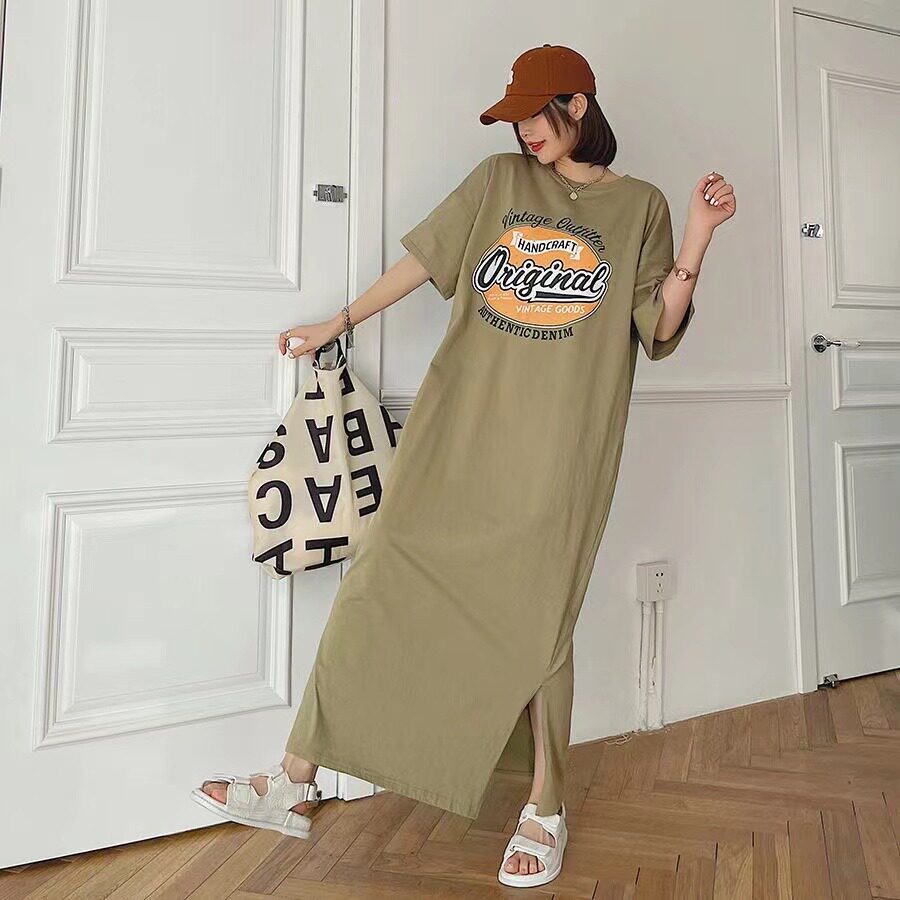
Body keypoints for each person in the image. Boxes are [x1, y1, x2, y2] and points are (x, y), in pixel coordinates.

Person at [191, 43, 735, 888]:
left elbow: (657, 326)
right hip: (458, 433)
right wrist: (338, 322)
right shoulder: (498, 181)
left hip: (561, 451)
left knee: (540, 623)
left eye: (535, 115)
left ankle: (547, 808)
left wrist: (699, 233)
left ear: (578, 105)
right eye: (513, 120)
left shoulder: (641, 207)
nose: (523, 133)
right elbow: (424, 262)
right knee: (380, 577)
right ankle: (295, 780)